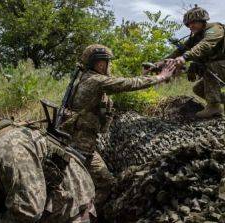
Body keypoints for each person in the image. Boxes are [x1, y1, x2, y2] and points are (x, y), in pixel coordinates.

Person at [60, 44, 177, 205]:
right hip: (81, 145)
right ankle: (83, 212)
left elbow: (120, 81)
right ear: (100, 63)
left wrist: (143, 76)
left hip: (78, 141)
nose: (110, 65)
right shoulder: (95, 81)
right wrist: (160, 77)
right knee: (106, 184)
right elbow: (126, 84)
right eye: (108, 62)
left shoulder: (87, 77)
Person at [163, 5, 225, 118]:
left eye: (193, 22)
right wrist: (160, 64)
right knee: (198, 89)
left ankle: (214, 106)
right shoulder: (196, 37)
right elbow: (180, 50)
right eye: (188, 24)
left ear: (202, 21)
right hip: (223, 65)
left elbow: (205, 45)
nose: (190, 26)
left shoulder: (215, 29)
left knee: (209, 68)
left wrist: (185, 57)